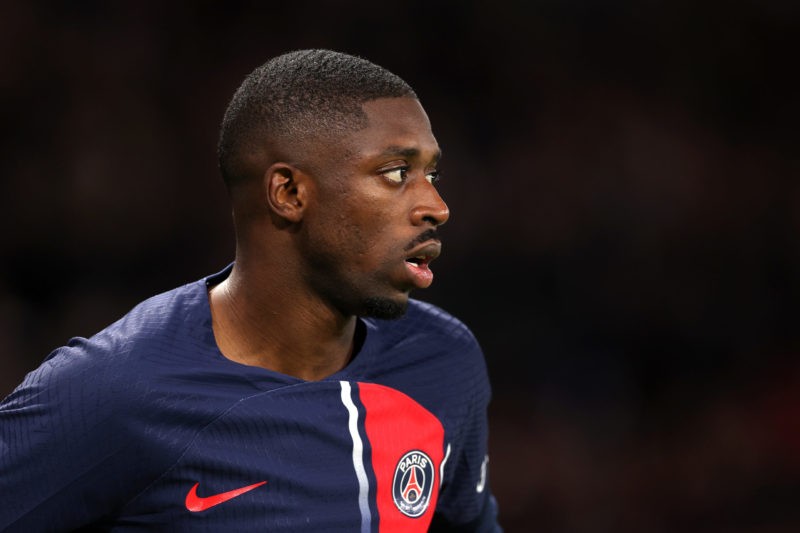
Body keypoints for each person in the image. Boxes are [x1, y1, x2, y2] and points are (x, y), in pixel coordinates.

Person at [0, 49, 500, 531]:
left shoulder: (443, 363)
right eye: (396, 173)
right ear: (288, 194)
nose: (437, 205)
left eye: (431, 173)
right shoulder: (120, 391)